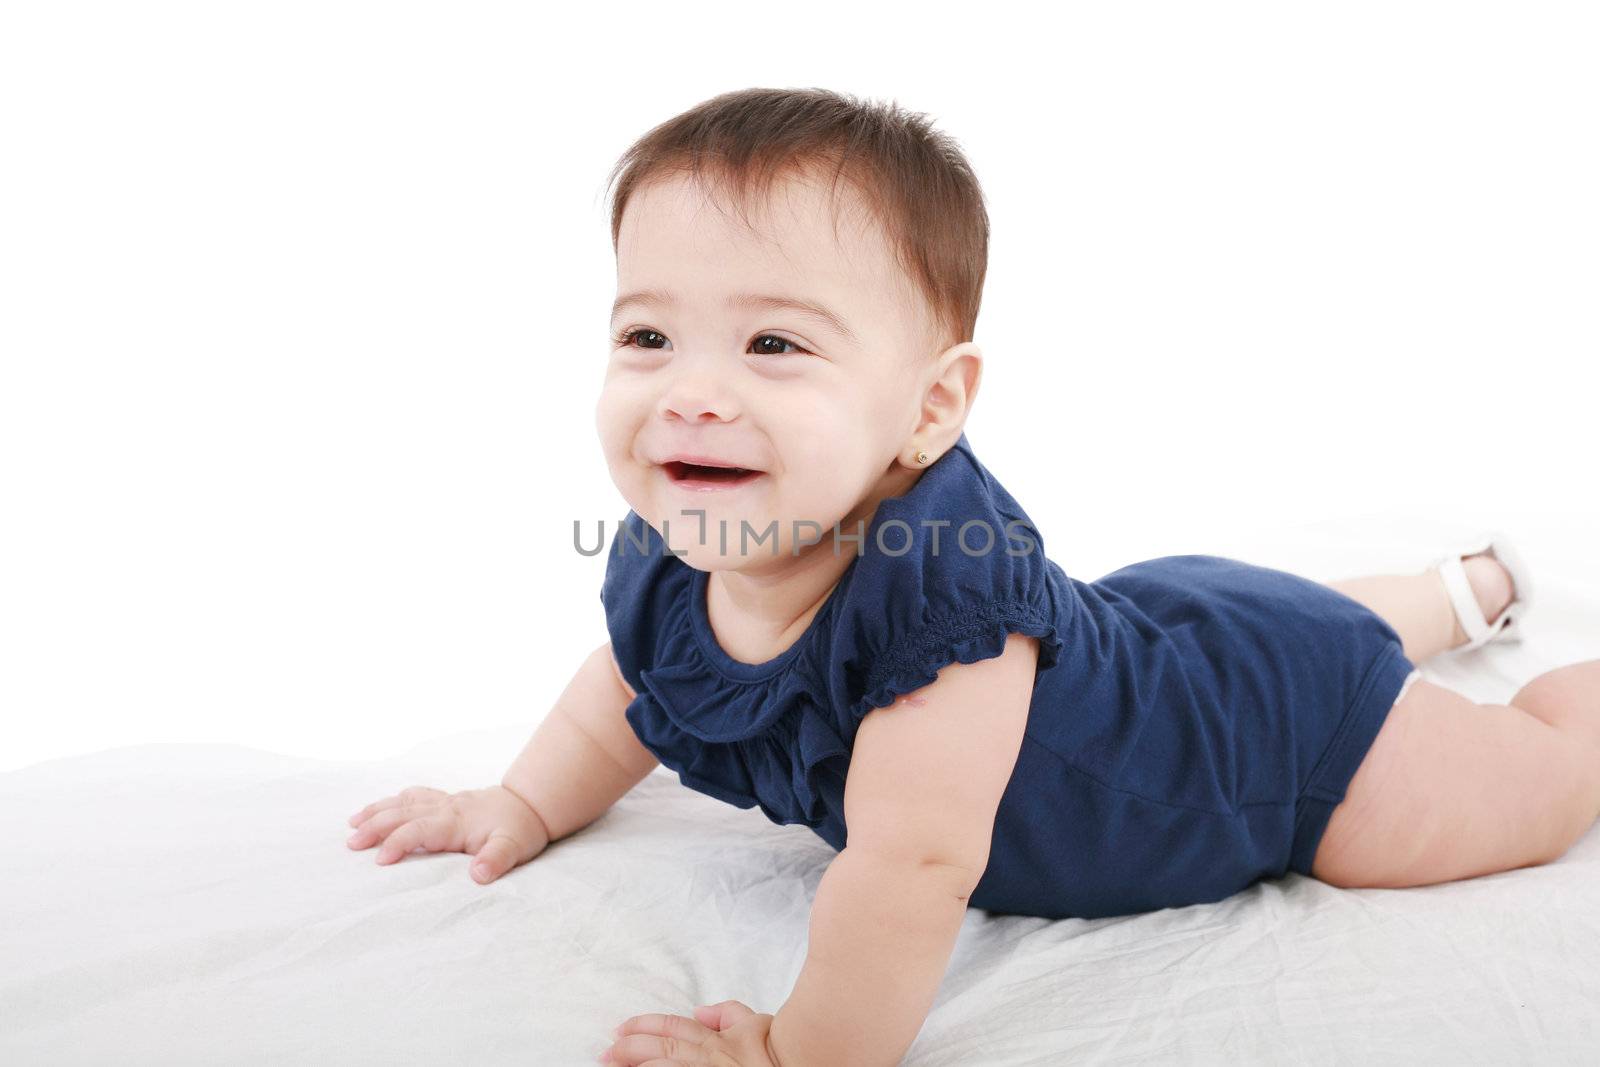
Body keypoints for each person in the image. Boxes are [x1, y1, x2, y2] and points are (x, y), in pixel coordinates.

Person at [346, 87, 1600, 1067]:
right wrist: (522, 801)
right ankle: (1455, 588)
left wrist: (800, 1045)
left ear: (929, 405)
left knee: (1513, 786)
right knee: (1292, 621)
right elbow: (620, 689)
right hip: (1170, 619)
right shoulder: (687, 536)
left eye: (773, 342)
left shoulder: (947, 615)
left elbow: (910, 868)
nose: (691, 387)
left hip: (1263, 748)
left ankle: (1532, 666)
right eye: (647, 334)